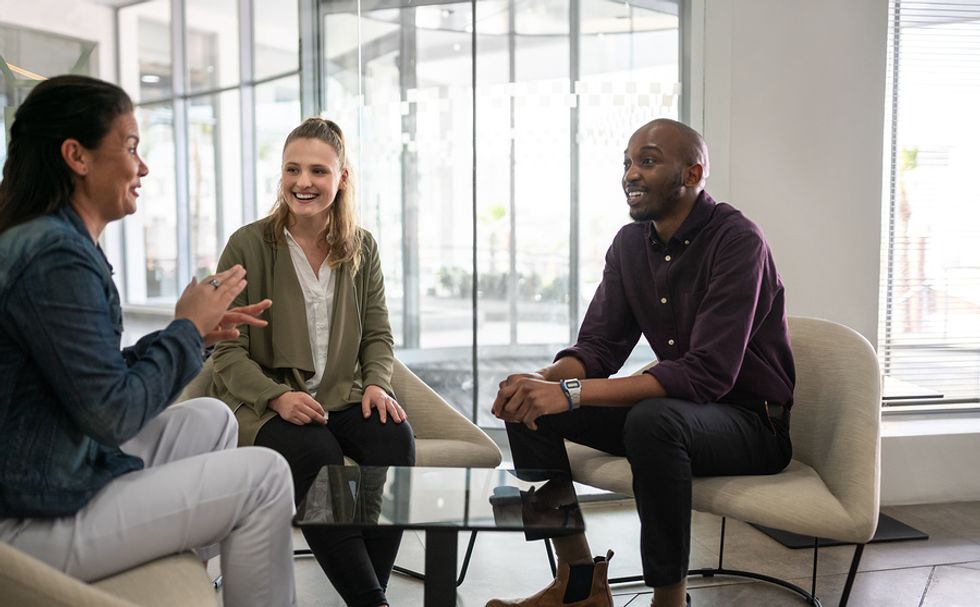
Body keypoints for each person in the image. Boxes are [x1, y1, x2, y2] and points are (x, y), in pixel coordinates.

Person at [0, 75, 297, 607]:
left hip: (48, 468)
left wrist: (195, 334)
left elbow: (90, 376)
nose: (143, 167)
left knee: (212, 417)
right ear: (77, 156)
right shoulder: (55, 256)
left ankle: (185, 571)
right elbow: (112, 415)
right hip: (30, 514)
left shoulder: (52, 240)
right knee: (267, 475)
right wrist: (184, 330)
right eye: (132, 146)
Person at [488, 118, 795, 607]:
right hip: (681, 413)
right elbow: (598, 347)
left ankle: (669, 598)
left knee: (655, 421)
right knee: (527, 406)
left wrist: (569, 393)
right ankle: (578, 584)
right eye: (627, 163)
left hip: (751, 424)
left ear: (693, 174)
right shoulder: (630, 246)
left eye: (647, 162)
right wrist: (542, 382)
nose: (630, 174)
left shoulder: (739, 241)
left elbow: (706, 374)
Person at [210, 117, 415, 607]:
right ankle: (372, 601)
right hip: (265, 401)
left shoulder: (362, 247)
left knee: (394, 439)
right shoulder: (248, 244)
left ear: (342, 177)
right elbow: (226, 349)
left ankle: (370, 593)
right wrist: (276, 396)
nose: (303, 182)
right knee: (317, 454)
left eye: (318, 171)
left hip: (342, 395)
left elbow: (379, 334)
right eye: (292, 169)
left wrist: (377, 384)